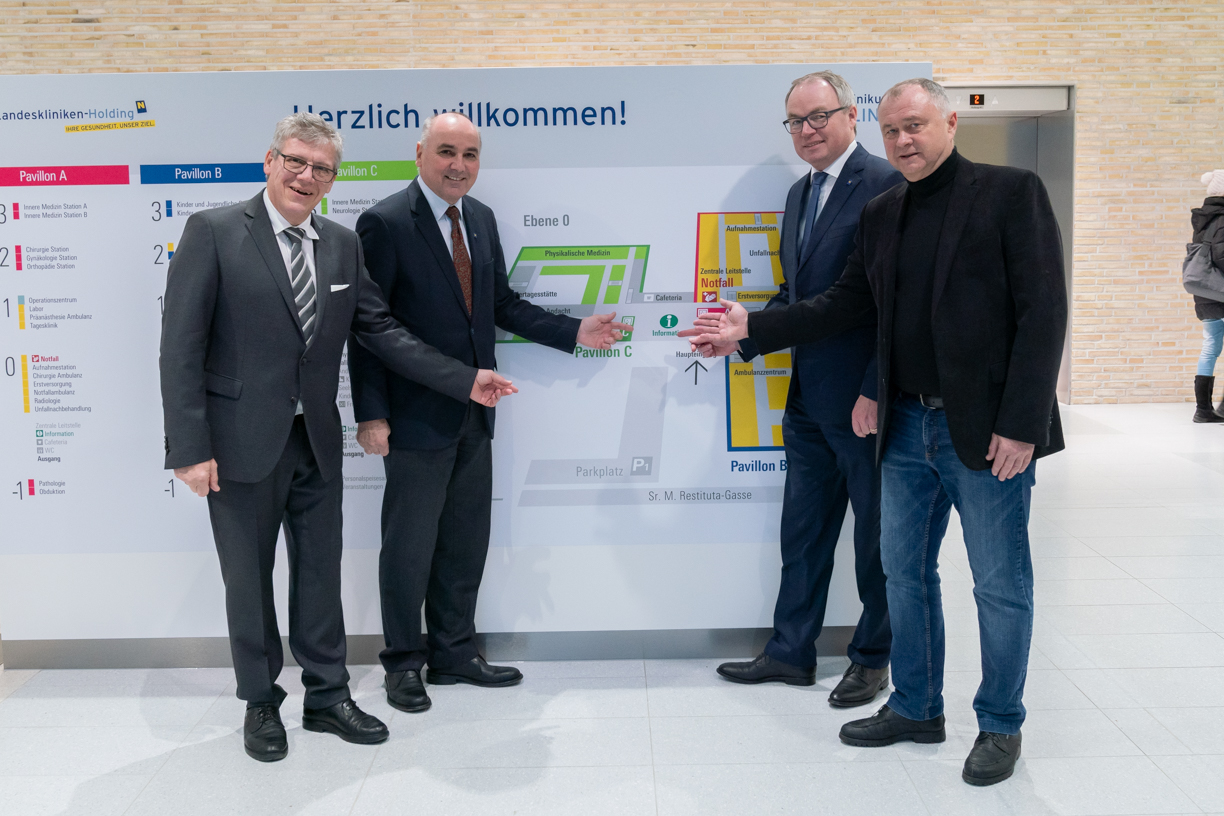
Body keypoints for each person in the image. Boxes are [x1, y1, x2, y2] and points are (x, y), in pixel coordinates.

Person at [683, 78, 1066, 787]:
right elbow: (842, 305)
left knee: (998, 585)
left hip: (986, 431)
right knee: (904, 575)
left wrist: (1022, 425)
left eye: (915, 125)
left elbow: (1044, 314)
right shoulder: (884, 212)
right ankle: (916, 707)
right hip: (904, 424)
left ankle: (1000, 723)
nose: (903, 141)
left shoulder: (1010, 193)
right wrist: (750, 329)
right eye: (892, 130)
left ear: (950, 122)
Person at [160, 112, 517, 763]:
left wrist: (464, 379)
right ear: (270, 161)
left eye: (321, 168)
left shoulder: (342, 244)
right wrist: (188, 448)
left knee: (320, 575)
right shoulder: (213, 232)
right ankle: (260, 701)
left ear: (332, 179)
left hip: (317, 440)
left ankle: (327, 697)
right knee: (249, 581)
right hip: (239, 444)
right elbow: (180, 348)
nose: (306, 176)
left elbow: (381, 332)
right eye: (296, 161)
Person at [348, 112, 631, 715]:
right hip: (415, 416)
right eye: (446, 151)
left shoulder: (478, 217)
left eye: (470, 155)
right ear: (419, 153)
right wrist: (371, 414)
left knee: (463, 542)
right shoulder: (385, 222)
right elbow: (370, 328)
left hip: (478, 413)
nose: (459, 165)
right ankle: (403, 663)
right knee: (408, 547)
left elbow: (500, 303)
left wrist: (574, 331)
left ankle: (454, 652)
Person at [711, 71, 902, 707]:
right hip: (807, 401)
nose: (808, 130)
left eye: (819, 116)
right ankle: (790, 652)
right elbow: (796, 296)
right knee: (803, 533)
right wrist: (740, 336)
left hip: (865, 404)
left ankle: (872, 659)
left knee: (876, 541)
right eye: (796, 121)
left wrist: (875, 387)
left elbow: (891, 305)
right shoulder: (800, 193)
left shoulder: (886, 184)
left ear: (851, 115)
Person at [1191, 169, 1224, 422]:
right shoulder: (1222, 218)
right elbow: (1221, 256)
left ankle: (1203, 409)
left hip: (1206, 293)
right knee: (1211, 346)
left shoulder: (1203, 218)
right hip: (1221, 292)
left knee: (1210, 347)